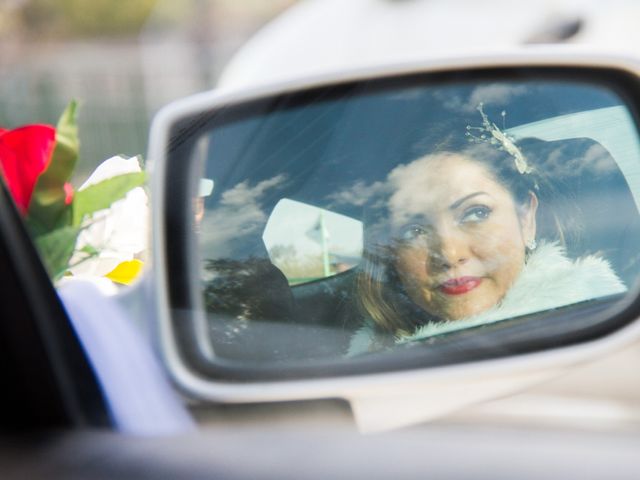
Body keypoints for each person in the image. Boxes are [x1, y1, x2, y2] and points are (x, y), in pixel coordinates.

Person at [348, 108, 627, 356]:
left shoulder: (609, 324)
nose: (448, 253)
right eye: (414, 230)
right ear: (389, 253)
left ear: (526, 218)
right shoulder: (371, 356)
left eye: (476, 213)